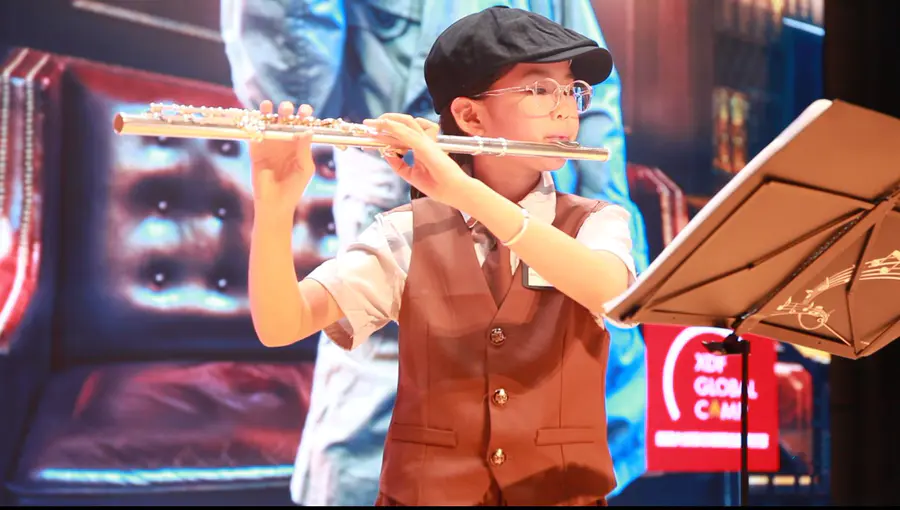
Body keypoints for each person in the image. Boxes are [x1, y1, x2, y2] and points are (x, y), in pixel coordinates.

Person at [222, 1, 648, 505]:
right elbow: (281, 324)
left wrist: (461, 190)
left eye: (572, 91)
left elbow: (611, 295)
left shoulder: (596, 223)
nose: (566, 109)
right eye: (538, 90)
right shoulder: (406, 233)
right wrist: (274, 207)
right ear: (469, 116)